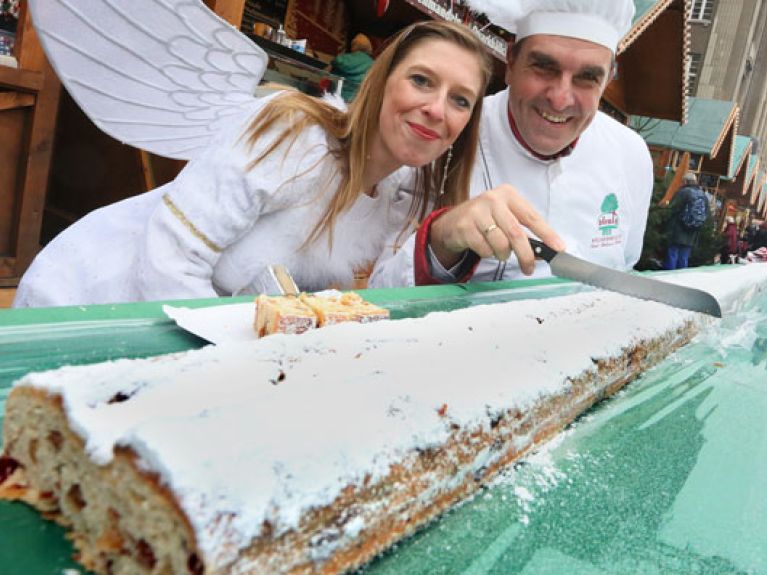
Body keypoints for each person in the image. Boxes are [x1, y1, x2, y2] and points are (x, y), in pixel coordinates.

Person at [14, 20, 520, 307]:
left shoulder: (403, 194)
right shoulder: (294, 133)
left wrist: (446, 239)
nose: (436, 109)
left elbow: (370, 303)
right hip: (87, 302)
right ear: (381, 81)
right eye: (422, 80)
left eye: (460, 100)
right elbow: (171, 254)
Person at [370, 0, 652, 287]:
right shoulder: (445, 135)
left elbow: (625, 266)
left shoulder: (631, 154)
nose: (560, 98)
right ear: (511, 61)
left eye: (588, 78)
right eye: (544, 67)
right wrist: (442, 238)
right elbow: (378, 288)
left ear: (607, 81)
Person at [663, 172, 710, 270]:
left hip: (678, 228)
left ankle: (668, 276)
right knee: (684, 256)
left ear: (685, 181)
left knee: (673, 253)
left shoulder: (683, 192)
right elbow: (706, 213)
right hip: (693, 231)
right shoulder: (703, 195)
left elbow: (672, 208)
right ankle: (681, 278)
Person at [330, 33, 375, 102]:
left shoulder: (345, 58)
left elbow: (335, 62)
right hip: (357, 101)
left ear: (354, 45)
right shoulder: (373, 64)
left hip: (337, 98)